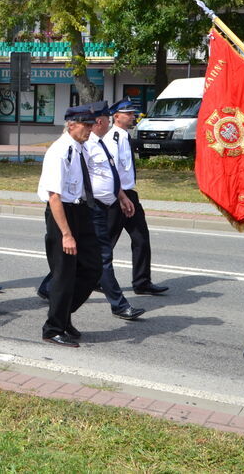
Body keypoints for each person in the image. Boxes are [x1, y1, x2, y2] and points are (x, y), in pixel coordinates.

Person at [36, 104, 106, 347]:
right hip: (61, 215)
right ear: (71, 124)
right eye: (85, 125)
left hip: (80, 210)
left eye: (91, 125)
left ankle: (63, 315)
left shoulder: (80, 148)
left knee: (93, 267)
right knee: (64, 274)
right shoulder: (59, 151)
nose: (90, 129)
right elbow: (54, 196)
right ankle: (53, 327)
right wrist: (66, 234)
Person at [103, 99, 168, 295]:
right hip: (117, 196)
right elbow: (111, 170)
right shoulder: (112, 138)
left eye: (132, 113)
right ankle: (96, 278)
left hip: (129, 193)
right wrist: (121, 197)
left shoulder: (124, 136)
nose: (132, 117)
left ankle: (142, 282)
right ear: (116, 116)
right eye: (128, 114)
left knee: (141, 238)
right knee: (107, 242)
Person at [86, 104, 143, 321]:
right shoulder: (83, 147)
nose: (109, 123)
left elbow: (110, 175)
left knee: (98, 255)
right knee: (95, 255)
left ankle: (49, 288)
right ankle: (119, 305)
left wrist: (122, 197)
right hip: (85, 207)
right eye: (106, 120)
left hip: (105, 204)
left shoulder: (101, 144)